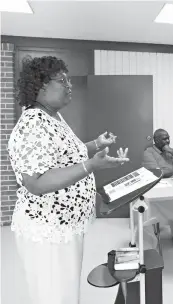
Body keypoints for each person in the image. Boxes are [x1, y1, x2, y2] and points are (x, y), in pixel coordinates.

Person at [7, 56, 130, 304]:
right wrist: (91, 165)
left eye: (69, 80)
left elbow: (65, 156)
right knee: (54, 296)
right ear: (40, 86)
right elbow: (36, 182)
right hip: (47, 230)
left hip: (65, 225)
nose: (69, 85)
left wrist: (96, 145)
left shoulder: (53, 118)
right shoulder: (32, 124)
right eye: (62, 80)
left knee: (65, 293)